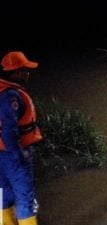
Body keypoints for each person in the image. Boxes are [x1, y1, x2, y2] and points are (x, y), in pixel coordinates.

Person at [0, 51, 43, 225]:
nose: (27, 74)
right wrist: (20, 155)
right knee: (25, 198)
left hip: (2, 154)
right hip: (13, 155)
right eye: (24, 70)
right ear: (14, 72)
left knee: (2, 194)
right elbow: (9, 131)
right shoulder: (11, 96)